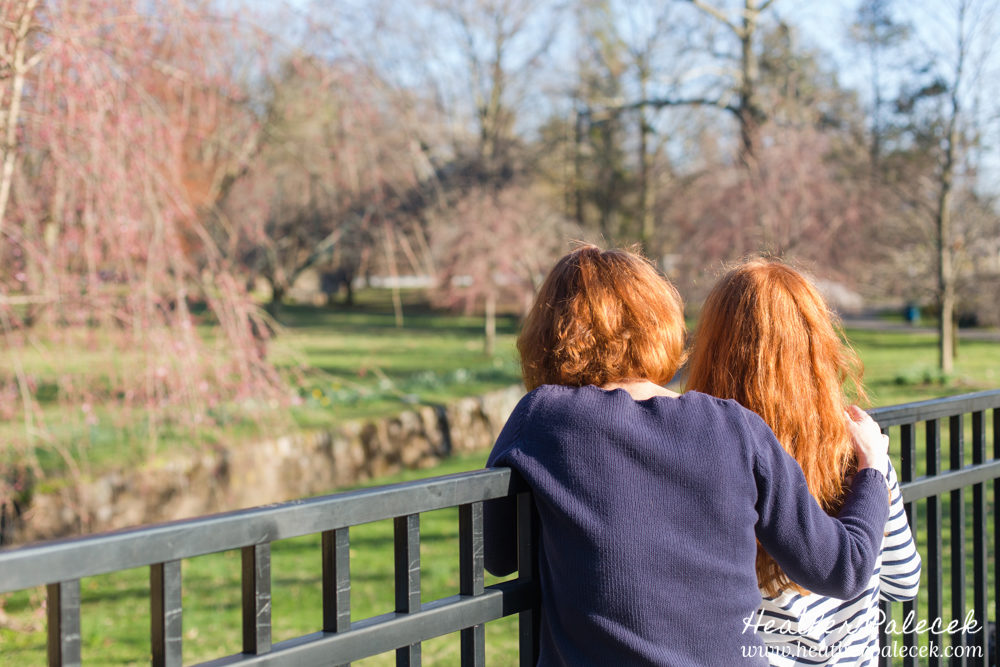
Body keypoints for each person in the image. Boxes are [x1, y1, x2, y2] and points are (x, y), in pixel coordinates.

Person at [484, 245, 891, 666]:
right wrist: (873, 470)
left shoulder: (543, 416)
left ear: (549, 336)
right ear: (661, 323)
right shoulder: (735, 426)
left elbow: (496, 557)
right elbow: (844, 569)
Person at [686, 258, 920, 666]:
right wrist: (876, 469)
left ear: (714, 351)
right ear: (817, 344)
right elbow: (904, 581)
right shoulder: (862, 453)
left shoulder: (701, 456)